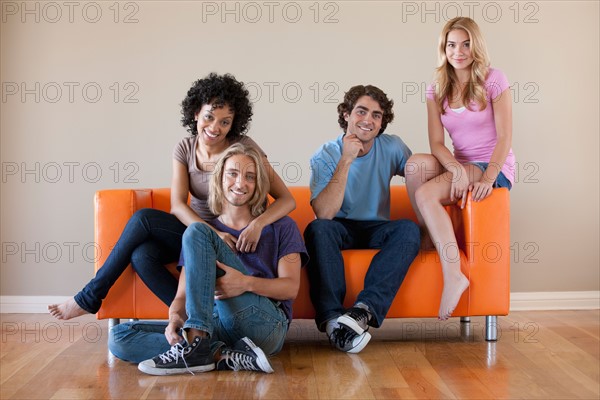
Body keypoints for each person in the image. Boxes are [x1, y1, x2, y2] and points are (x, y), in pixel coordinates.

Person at [49, 73, 296, 320]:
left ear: (234, 123)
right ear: (196, 114)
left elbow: (288, 199)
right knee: (142, 255)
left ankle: (89, 297)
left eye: (225, 122)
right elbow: (177, 205)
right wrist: (211, 234)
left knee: (144, 218)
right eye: (209, 117)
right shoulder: (185, 148)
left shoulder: (244, 149)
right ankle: (192, 320)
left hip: (231, 234)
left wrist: (257, 225)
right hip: (197, 232)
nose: (214, 128)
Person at [109, 143, 308, 375]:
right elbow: (182, 295)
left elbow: (290, 288)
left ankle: (197, 346)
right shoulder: (205, 235)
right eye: (232, 174)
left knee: (195, 231)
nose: (240, 183)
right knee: (120, 337)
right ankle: (218, 353)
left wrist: (245, 283)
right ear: (220, 179)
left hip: (266, 325)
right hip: (214, 324)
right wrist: (174, 317)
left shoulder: (282, 226)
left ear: (259, 185)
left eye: (250, 177)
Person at [405, 17, 515, 320]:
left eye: (466, 44)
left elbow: (505, 136)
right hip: (461, 163)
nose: (459, 51)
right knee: (415, 165)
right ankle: (429, 236)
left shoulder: (494, 79)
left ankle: (454, 275)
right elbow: (437, 143)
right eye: (452, 44)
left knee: (427, 194)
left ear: (475, 45)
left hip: (493, 164)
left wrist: (490, 177)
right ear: (444, 48)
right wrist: (454, 169)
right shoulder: (436, 89)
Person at [304, 85, 420, 354]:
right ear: (346, 114)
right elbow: (324, 213)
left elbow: (419, 175)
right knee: (318, 229)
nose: (368, 120)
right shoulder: (326, 154)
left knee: (408, 230)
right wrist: (346, 160)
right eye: (361, 111)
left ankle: (362, 311)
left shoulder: (392, 146)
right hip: (340, 226)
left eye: (376, 115)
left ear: (382, 123)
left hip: (376, 227)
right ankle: (334, 322)